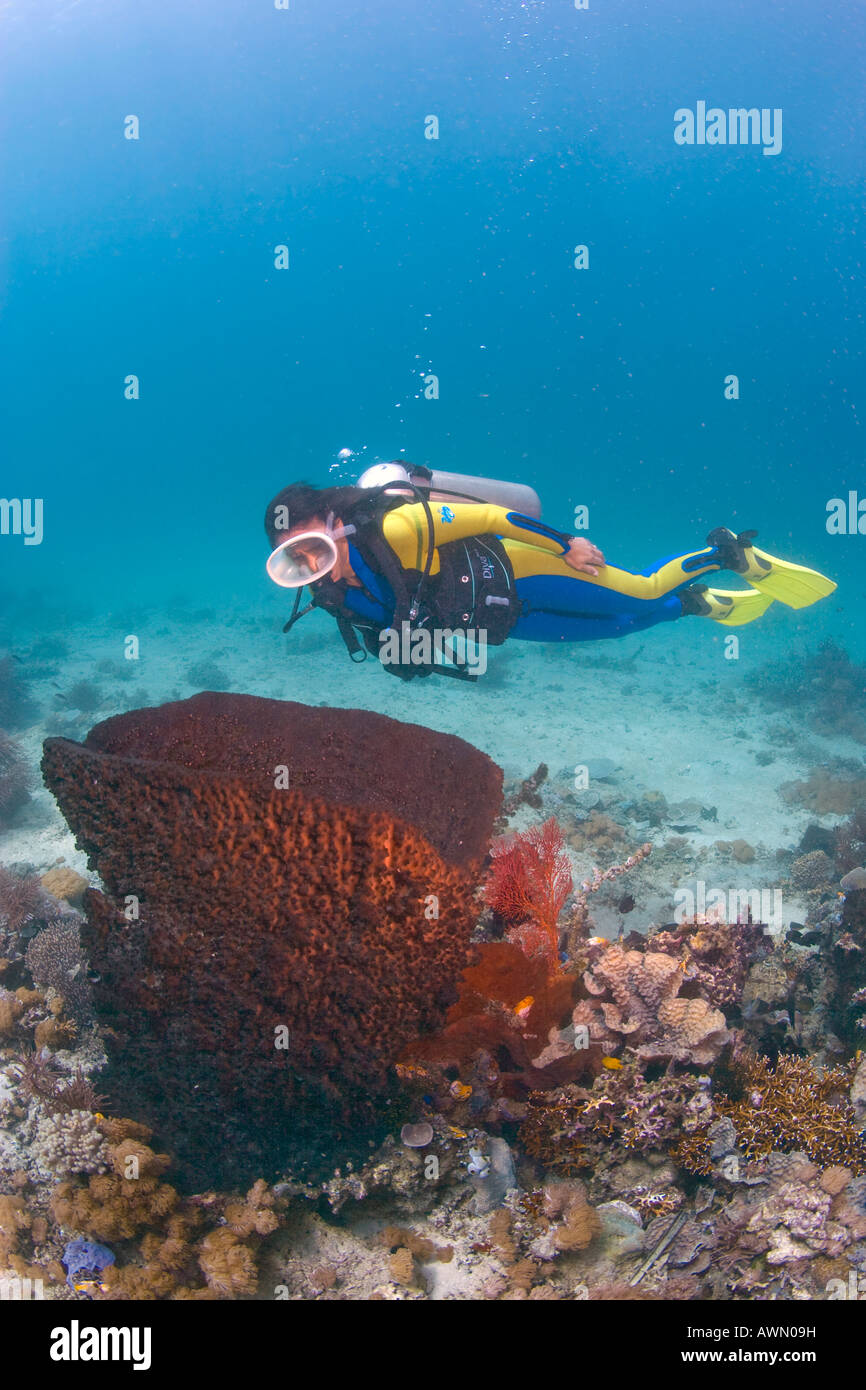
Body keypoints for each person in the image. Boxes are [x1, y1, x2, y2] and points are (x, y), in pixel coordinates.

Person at [263, 466, 836, 681]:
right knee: (621, 628)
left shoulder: (398, 530)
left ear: (335, 525)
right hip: (505, 619)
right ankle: (698, 604)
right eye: (296, 560)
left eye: (313, 546)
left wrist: (568, 544)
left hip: (525, 572)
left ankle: (726, 552)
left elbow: (490, 516)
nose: (315, 567)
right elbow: (402, 631)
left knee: (638, 590)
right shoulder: (332, 599)